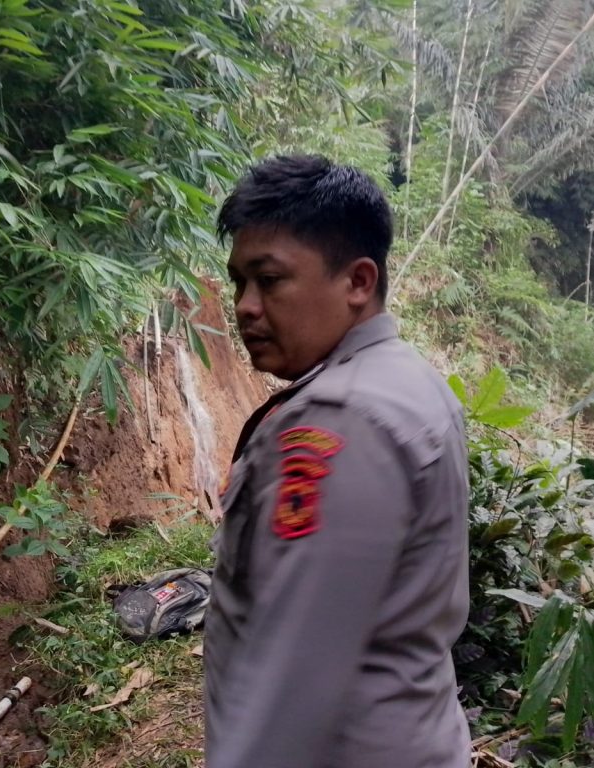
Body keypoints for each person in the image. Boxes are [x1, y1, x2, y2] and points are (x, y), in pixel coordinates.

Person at [205, 155, 471, 768]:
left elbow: (294, 670)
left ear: (357, 281)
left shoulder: (341, 421)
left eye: (269, 280)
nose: (245, 306)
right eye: (239, 282)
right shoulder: (410, 382)